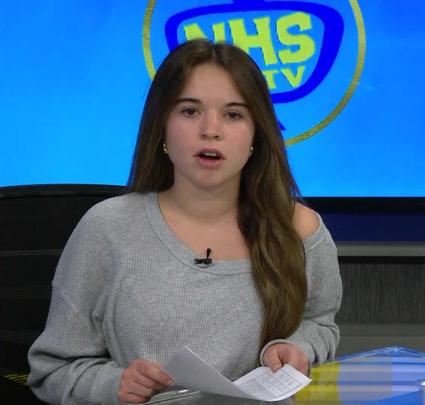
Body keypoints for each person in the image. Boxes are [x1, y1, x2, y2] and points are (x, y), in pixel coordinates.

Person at [27, 39, 342, 404]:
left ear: (256, 134)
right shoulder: (107, 229)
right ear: (161, 126)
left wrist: (296, 347)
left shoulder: (299, 229)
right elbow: (52, 370)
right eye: (190, 111)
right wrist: (114, 385)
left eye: (233, 115)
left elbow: (320, 325)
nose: (211, 130)